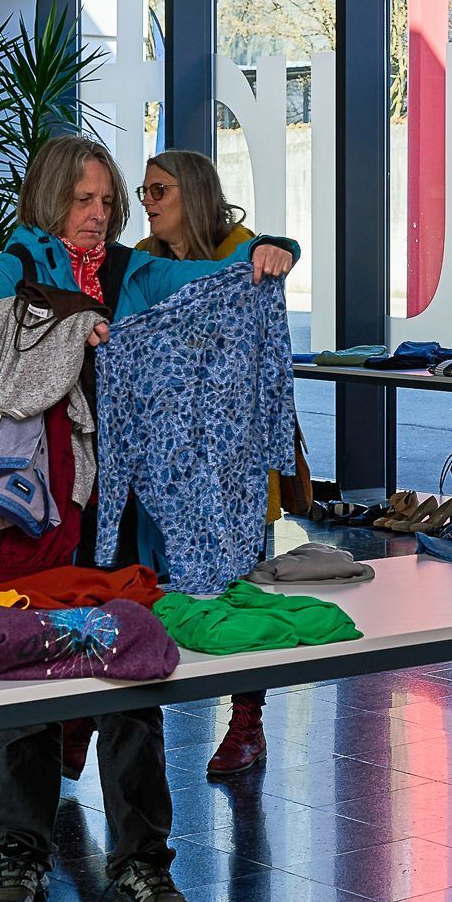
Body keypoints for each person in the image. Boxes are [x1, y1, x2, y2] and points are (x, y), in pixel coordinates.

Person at [0, 135, 295, 902]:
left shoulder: (135, 271)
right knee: (26, 689)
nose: (99, 215)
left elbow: (212, 275)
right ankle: (19, 854)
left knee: (132, 684)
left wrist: (273, 253)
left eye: (108, 201)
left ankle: (142, 865)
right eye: (84, 201)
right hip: (28, 521)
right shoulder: (14, 266)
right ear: (49, 201)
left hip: (113, 525)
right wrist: (70, 329)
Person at [134, 149, 279, 780]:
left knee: (237, 595)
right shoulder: (144, 259)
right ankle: (134, 722)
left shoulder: (244, 251)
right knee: (150, 589)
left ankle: (247, 723)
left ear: (192, 192)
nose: (148, 201)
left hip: (228, 465)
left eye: (158, 189)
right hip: (161, 462)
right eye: (142, 191)